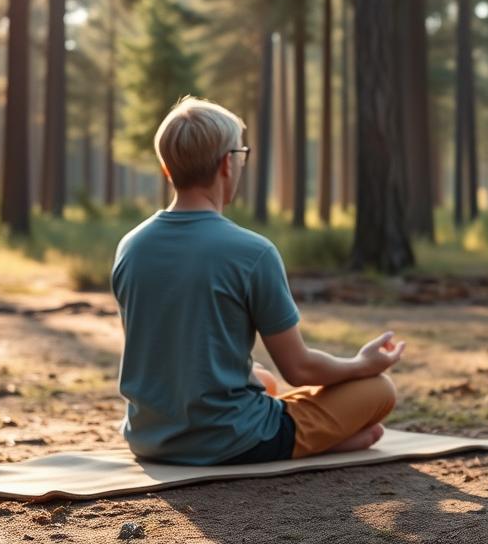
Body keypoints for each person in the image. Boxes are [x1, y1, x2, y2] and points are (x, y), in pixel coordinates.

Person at [112, 96, 403, 465]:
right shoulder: (252, 252)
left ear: (167, 170)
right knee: (378, 390)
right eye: (241, 155)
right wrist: (363, 364)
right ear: (225, 165)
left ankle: (313, 436)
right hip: (232, 438)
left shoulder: (131, 246)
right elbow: (300, 369)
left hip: (150, 438)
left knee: (262, 380)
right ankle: (312, 441)